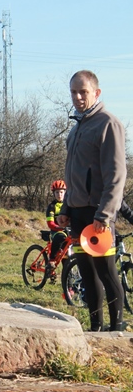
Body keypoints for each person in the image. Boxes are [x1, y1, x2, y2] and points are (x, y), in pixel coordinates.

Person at [57, 70, 127, 332]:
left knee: (106, 271)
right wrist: (66, 208)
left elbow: (116, 175)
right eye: (73, 92)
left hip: (98, 214)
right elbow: (72, 176)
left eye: (83, 92)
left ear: (96, 93)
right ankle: (96, 327)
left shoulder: (108, 124)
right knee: (86, 272)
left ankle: (117, 328)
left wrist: (104, 214)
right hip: (77, 214)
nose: (77, 97)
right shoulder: (76, 129)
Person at [45, 180, 68, 276]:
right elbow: (50, 223)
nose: (59, 195)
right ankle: (52, 260)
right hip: (56, 231)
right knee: (60, 237)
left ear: (65, 193)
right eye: (57, 192)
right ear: (53, 194)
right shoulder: (52, 206)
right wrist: (59, 228)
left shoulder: (69, 204)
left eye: (61, 192)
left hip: (68, 231)